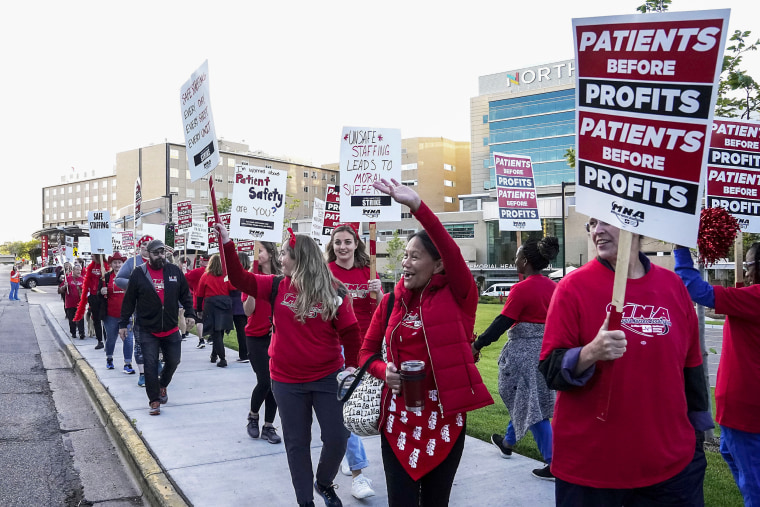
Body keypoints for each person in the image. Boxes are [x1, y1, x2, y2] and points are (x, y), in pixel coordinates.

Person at [539, 218, 711, 506]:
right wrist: (590, 352)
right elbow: (550, 371)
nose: (597, 231)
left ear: (638, 225)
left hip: (672, 467)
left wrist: (697, 438)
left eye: (607, 221)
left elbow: (691, 364)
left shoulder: (673, 287)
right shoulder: (572, 287)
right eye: (592, 223)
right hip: (592, 468)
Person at [358, 179, 493, 507]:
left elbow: (452, 249)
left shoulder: (460, 296)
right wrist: (382, 371)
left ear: (439, 264)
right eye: (404, 256)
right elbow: (364, 352)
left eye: (415, 257)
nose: (405, 262)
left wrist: (418, 207)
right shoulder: (390, 303)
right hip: (397, 420)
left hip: (444, 421)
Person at [217, 223, 361, 507]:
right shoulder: (275, 285)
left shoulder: (335, 291)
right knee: (297, 443)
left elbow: (351, 333)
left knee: (337, 436)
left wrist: (353, 367)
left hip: (327, 377)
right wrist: (227, 243)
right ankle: (304, 501)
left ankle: (323, 482)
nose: (280, 259)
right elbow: (238, 278)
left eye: (284, 254)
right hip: (286, 381)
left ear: (301, 258)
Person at [674, 243, 760, 505]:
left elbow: (694, 287)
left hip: (744, 411)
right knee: (733, 457)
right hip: (744, 408)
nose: (746, 270)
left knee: (753, 485)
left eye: (748, 264)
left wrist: (680, 248)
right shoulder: (749, 297)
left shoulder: (754, 297)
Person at [474, 236, 558, 480]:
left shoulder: (521, 289)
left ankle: (554, 462)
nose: (514, 260)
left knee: (533, 406)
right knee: (526, 397)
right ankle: (508, 442)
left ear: (525, 261)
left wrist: (478, 344)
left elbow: (503, 322)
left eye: (517, 256)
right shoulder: (554, 287)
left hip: (523, 354)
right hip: (546, 351)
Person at [326, 223, 382, 500]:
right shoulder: (326, 273)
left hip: (368, 350)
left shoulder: (368, 272)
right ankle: (359, 475)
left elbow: (384, 310)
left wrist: (379, 292)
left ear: (356, 243)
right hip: (338, 350)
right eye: (338, 243)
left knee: (370, 407)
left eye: (348, 242)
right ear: (332, 245)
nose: (343, 247)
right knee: (347, 409)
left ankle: (348, 453)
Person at [119, 239, 195, 416]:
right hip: (147, 329)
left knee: (174, 361)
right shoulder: (139, 273)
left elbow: (185, 294)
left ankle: (163, 385)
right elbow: (129, 300)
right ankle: (154, 400)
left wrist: (190, 313)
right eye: (156, 253)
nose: (161, 256)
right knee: (150, 365)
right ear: (148, 254)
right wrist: (123, 324)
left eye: (163, 253)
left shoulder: (174, 271)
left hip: (170, 327)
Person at [242, 242, 282, 444]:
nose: (258, 254)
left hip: (277, 336)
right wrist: (251, 291)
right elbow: (248, 311)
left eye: (261, 250)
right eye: (256, 251)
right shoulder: (251, 278)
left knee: (275, 382)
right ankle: (253, 415)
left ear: (270, 253)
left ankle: (268, 425)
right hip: (256, 337)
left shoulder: (281, 275)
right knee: (265, 380)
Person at [115, 235, 153, 387]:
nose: (146, 246)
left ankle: (156, 367)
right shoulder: (133, 262)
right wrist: (135, 285)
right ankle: (143, 374)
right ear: (139, 246)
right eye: (144, 244)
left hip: (159, 310)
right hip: (139, 308)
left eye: (150, 244)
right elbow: (118, 279)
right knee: (140, 342)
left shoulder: (160, 261)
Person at [195, 254, 234, 368]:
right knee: (220, 331)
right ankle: (214, 355)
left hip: (211, 304)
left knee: (215, 331)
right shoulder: (226, 276)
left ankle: (222, 358)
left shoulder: (205, 276)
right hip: (225, 303)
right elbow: (232, 288)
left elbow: (199, 294)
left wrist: (198, 309)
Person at [100, 252, 135, 374]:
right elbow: (98, 296)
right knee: (111, 338)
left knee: (128, 339)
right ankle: (109, 358)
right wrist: (102, 291)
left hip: (126, 315)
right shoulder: (106, 278)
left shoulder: (130, 277)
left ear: (123, 264)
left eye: (119, 262)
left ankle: (128, 363)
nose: (117, 265)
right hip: (111, 315)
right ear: (111, 264)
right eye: (115, 262)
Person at [73, 255, 107, 349]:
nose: (91, 256)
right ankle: (100, 341)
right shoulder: (91, 267)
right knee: (96, 319)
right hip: (93, 296)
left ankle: (107, 339)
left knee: (105, 319)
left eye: (93, 255)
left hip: (103, 296)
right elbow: (85, 277)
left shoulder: (105, 266)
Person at [185, 255, 210, 349]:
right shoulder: (217, 271)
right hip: (211, 300)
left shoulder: (197, 271)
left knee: (199, 321)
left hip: (199, 299)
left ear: (203, 261)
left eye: (200, 261)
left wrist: (184, 269)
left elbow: (186, 277)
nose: (199, 262)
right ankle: (212, 337)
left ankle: (201, 339)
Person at [231, 251, 250, 362]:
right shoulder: (251, 272)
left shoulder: (237, 274)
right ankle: (248, 353)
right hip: (247, 305)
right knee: (248, 331)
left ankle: (244, 354)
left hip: (237, 306)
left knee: (241, 332)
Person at [61, 263, 85, 340]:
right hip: (70, 303)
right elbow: (59, 290)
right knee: (71, 319)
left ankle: (82, 333)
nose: (79, 272)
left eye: (80, 270)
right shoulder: (67, 279)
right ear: (73, 271)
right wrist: (64, 286)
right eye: (77, 270)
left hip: (79, 303)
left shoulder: (83, 279)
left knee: (80, 318)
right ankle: (73, 332)